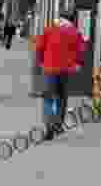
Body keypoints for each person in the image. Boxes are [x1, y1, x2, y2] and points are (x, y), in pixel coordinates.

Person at [34, 10, 86, 141]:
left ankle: (49, 125)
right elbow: (81, 50)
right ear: (72, 19)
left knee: (47, 98)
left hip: (49, 68)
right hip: (65, 70)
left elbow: (40, 47)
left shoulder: (49, 30)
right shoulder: (75, 32)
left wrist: (40, 62)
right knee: (61, 98)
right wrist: (78, 63)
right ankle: (58, 124)